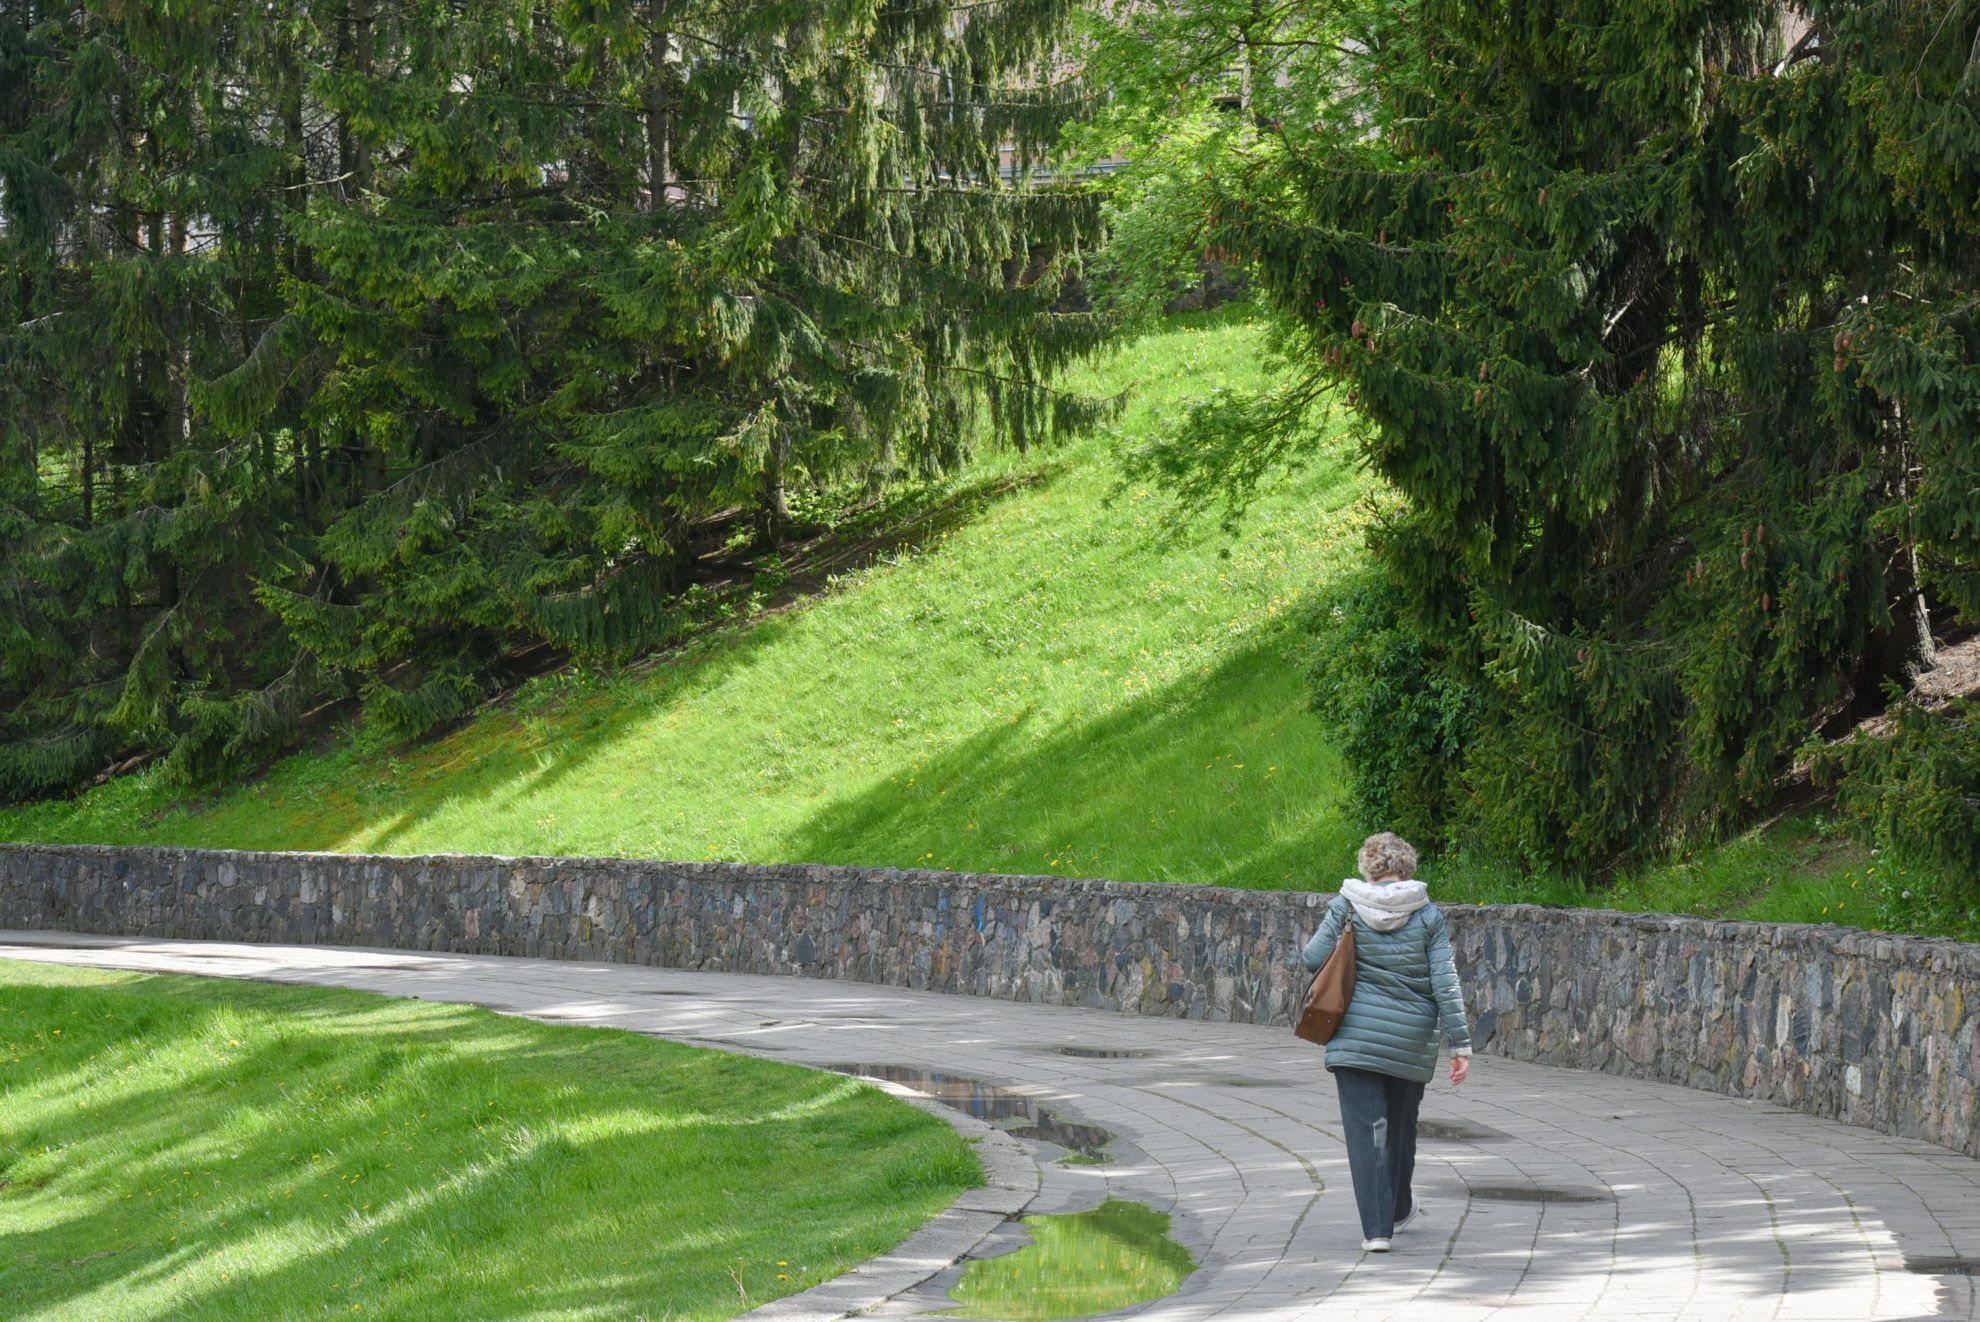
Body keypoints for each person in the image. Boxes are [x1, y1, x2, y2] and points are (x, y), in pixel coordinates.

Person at [1299, 831, 1472, 1254]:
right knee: (1400, 1128)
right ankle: (1397, 1207)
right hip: (1410, 1039)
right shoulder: (1427, 914)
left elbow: (1311, 957)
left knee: (1365, 1132)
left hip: (1354, 1037)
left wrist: (1340, 921)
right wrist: (1461, 1045)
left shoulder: (1347, 904)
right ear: (1406, 867)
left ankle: (1378, 1229)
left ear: (1369, 866)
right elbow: (1445, 982)